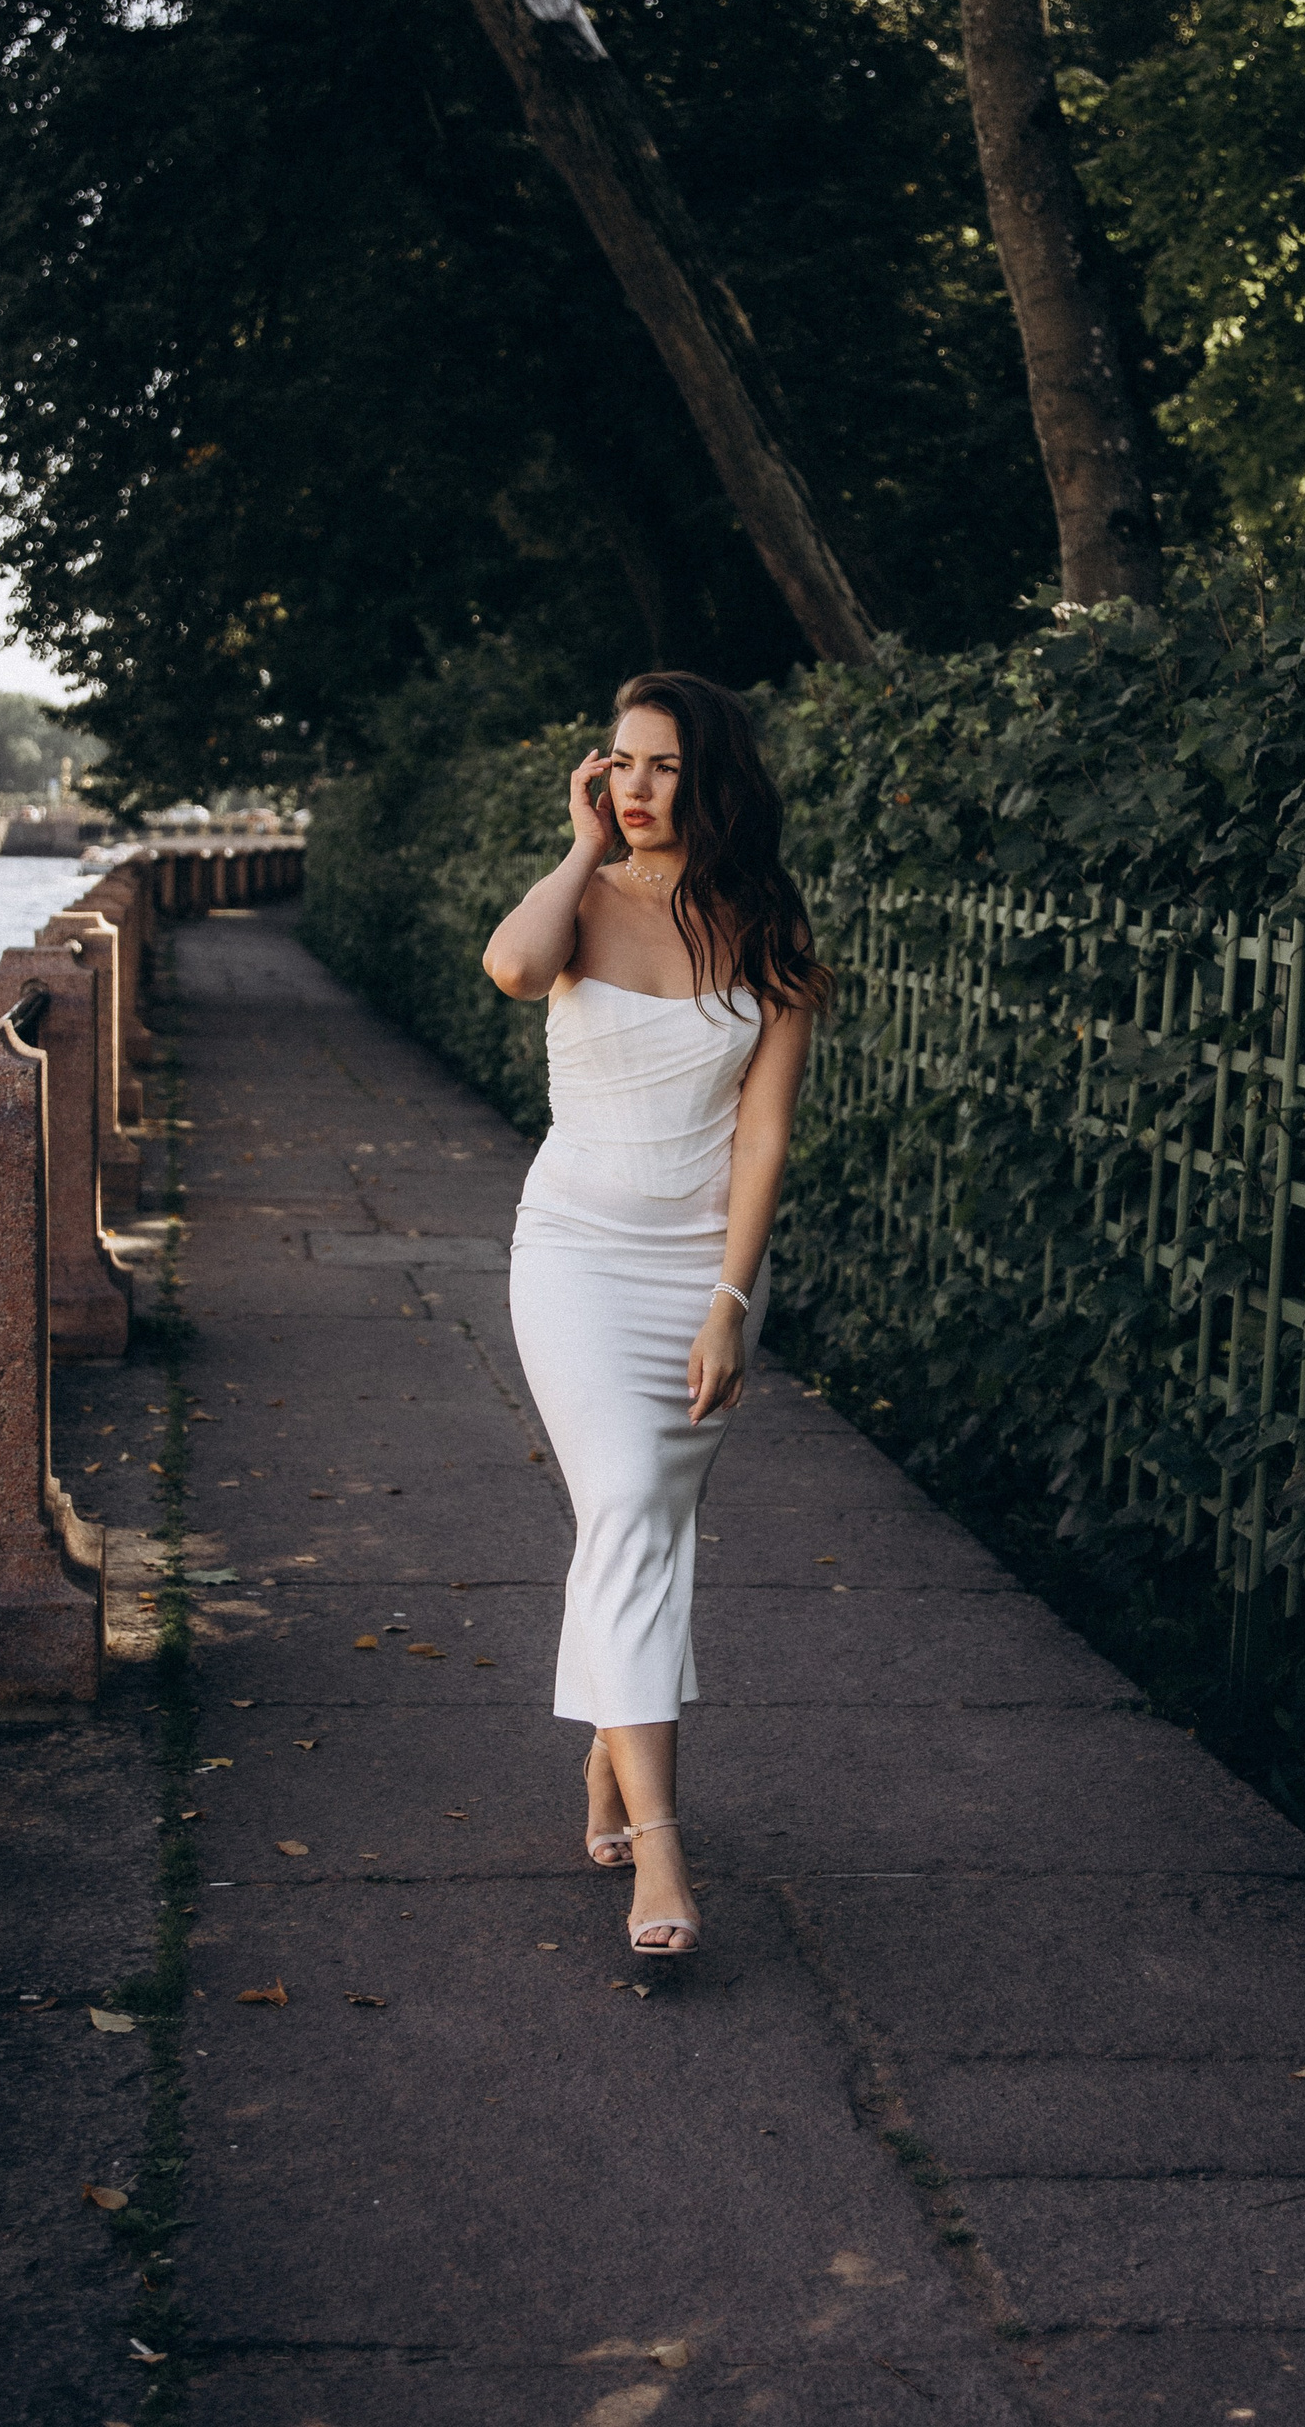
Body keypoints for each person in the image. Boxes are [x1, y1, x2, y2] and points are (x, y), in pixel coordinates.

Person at [482, 671, 826, 1957]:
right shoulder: (578, 904)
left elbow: (764, 1135)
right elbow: (512, 967)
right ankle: (664, 1853)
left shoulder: (767, 926)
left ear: (712, 777)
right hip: (574, 1253)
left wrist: (731, 1300)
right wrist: (579, 850)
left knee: (640, 1525)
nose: (635, 787)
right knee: (628, 1502)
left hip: (703, 1272)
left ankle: (609, 1757)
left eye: (664, 765)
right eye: (618, 762)